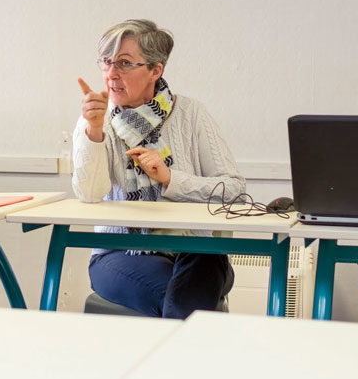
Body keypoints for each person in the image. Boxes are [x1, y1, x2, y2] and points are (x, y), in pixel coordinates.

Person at [72, 19, 245, 319]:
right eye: (106, 62)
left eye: (124, 63)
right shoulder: (96, 119)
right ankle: (188, 362)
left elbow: (235, 192)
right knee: (185, 299)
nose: (111, 74)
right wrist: (95, 132)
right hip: (119, 253)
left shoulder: (192, 114)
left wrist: (169, 179)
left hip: (194, 252)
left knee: (199, 268)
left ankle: (166, 362)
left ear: (156, 70)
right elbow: (89, 194)